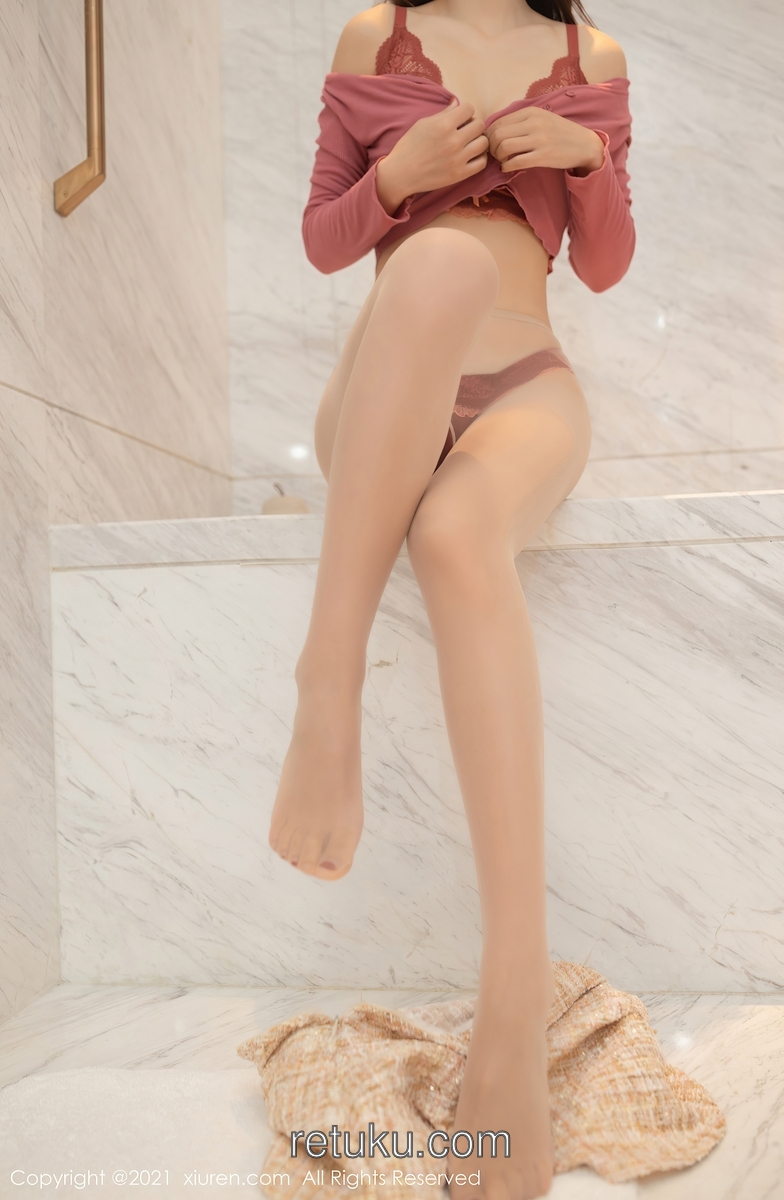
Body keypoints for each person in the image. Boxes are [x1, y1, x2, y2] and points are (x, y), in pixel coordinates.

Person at [269, 1, 633, 1195]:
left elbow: (604, 263)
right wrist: (396, 182)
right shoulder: (372, 35)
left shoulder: (589, 56)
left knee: (458, 533)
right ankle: (327, 684)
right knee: (438, 260)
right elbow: (324, 243)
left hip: (524, 381)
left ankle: (510, 1016)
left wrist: (586, 159)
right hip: (389, 378)